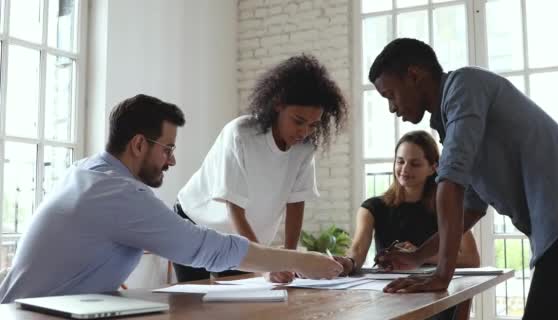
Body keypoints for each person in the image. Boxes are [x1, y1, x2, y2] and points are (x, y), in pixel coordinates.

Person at [0, 94, 342, 304]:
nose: (173, 161)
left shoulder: (87, 172)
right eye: (168, 149)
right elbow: (207, 248)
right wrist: (302, 260)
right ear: (138, 145)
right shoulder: (120, 194)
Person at [368, 38, 558, 320]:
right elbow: (470, 208)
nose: (392, 109)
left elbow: (451, 181)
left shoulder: (464, 85)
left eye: (390, 95)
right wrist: (418, 256)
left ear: (414, 75)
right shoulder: (452, 121)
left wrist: (441, 275)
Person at [175, 54, 348, 284]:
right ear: (278, 105)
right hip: (195, 224)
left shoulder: (304, 149)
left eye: (313, 125)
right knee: (193, 306)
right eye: (298, 121)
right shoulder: (240, 134)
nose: (304, 132)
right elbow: (234, 208)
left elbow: (296, 203)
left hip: (238, 237)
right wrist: (267, 265)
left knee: (242, 306)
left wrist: (290, 259)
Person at [334, 131, 479, 320]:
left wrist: (420, 254)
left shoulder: (445, 208)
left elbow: (472, 258)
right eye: (400, 161)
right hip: (390, 297)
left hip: (436, 297)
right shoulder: (373, 208)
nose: (405, 169)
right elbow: (358, 250)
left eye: (415, 163)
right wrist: (348, 263)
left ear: (433, 167)